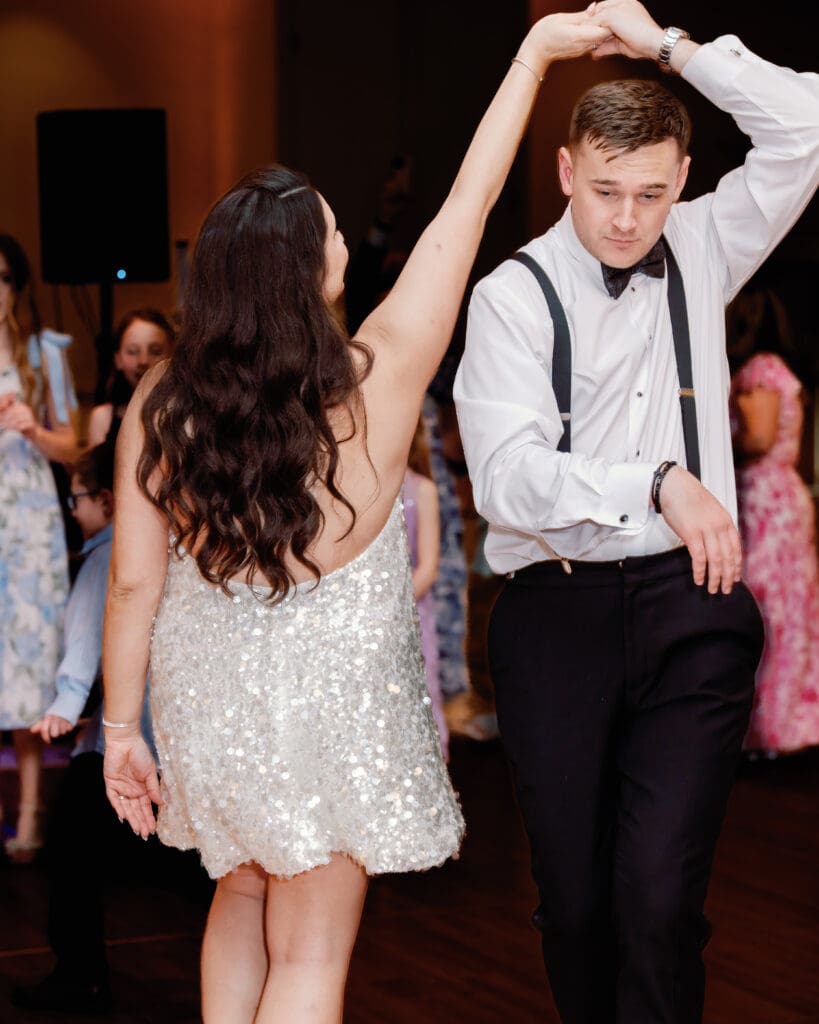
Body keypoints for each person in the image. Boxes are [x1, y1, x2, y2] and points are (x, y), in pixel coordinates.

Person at [99, 12, 611, 1023]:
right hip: (332, 716)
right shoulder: (377, 381)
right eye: (333, 229)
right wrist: (533, 54)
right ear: (311, 271)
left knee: (240, 895)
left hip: (211, 703)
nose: (343, 238)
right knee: (310, 956)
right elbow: (467, 205)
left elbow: (132, 580)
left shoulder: (161, 403)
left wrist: (121, 728)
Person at [454, 2, 819, 1021]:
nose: (626, 218)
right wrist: (655, 476)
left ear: (683, 179)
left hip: (690, 606)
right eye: (606, 191)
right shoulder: (511, 298)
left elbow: (810, 127)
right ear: (568, 173)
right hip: (556, 615)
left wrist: (673, 48)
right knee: (576, 910)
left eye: (651, 193)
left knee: (660, 900)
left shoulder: (701, 246)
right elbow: (510, 481)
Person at [11, 443, 212, 1015]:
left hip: (116, 741)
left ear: (105, 499)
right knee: (176, 856)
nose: (70, 510)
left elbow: (87, 642)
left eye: (75, 499)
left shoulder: (107, 559)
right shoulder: (173, 551)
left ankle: (79, 975)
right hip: (163, 736)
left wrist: (65, 703)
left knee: (75, 858)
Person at [0, 233, 78, 863]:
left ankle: (29, 816)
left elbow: (75, 447)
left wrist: (33, 427)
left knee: (28, 670)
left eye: (2, 277)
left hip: (28, 526)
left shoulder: (41, 355)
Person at [728, 287, 819, 756]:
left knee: (765, 612)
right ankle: (783, 727)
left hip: (763, 500)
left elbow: (759, 437)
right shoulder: (781, 370)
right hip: (784, 497)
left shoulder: (759, 371)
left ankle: (766, 731)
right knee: (786, 611)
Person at [403, 418, 449, 759]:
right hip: (366, 617)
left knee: (419, 691)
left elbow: (428, 567)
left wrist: (388, 607)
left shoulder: (422, 490)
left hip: (412, 616)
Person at [86, 308, 175, 450]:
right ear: (118, 359)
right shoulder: (103, 417)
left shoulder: (183, 414)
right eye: (133, 351)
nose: (143, 361)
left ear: (172, 355)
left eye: (155, 351)